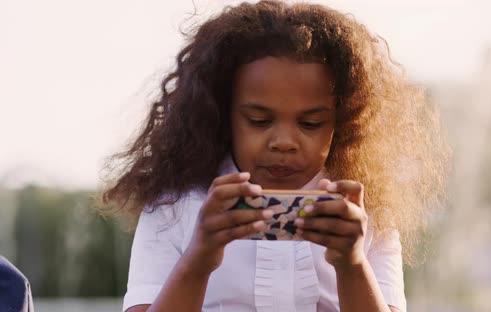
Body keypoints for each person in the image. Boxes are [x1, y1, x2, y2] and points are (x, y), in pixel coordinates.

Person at [101, 1, 449, 311]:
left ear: (341, 123)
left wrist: (352, 263)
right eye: (259, 120)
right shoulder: (173, 206)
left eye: (310, 123)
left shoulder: (364, 215)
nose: (284, 142)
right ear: (222, 114)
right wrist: (200, 257)